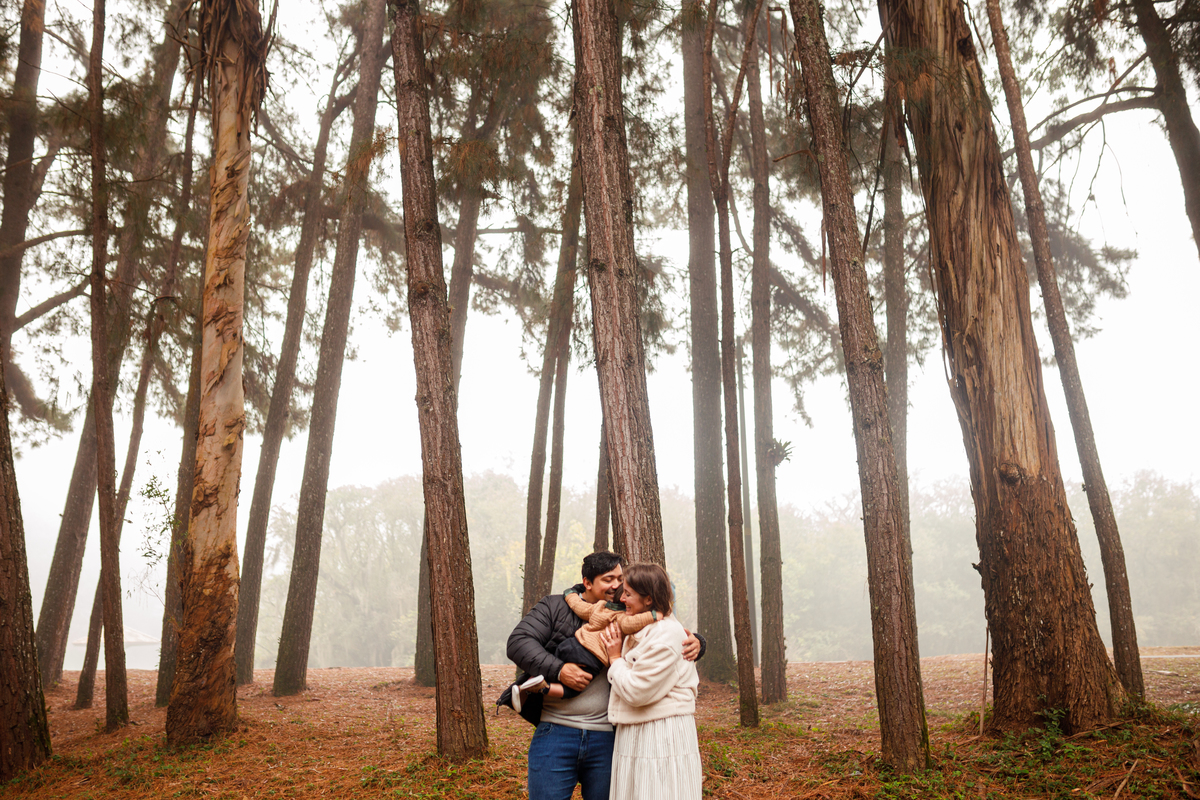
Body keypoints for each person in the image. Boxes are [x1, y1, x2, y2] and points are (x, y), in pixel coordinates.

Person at [506, 551, 705, 800]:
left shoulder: (628, 609)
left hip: (608, 738)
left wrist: (698, 642)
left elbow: (664, 632)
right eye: (608, 579)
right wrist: (560, 670)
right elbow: (518, 642)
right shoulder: (555, 606)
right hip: (556, 732)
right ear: (587, 583)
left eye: (620, 579)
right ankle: (540, 687)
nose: (617, 586)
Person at [601, 563, 702, 800]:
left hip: (661, 735)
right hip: (638, 731)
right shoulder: (643, 625)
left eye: (627, 593)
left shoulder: (666, 634)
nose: (621, 597)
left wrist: (615, 658)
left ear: (648, 600)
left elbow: (637, 691)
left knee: (658, 791)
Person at [512, 587, 661, 707]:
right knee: (574, 687)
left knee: (553, 662)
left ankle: (529, 682)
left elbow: (579, 606)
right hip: (590, 656)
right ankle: (544, 687)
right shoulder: (623, 617)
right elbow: (631, 624)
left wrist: (570, 593)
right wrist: (653, 615)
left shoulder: (598, 607)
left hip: (571, 643)